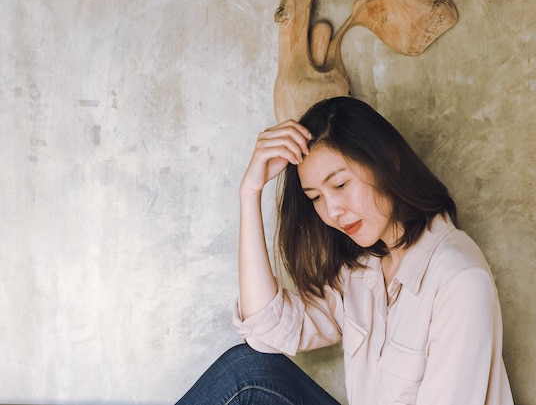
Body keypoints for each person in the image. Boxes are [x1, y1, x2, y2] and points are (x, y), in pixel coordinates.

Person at [176, 97, 514, 405]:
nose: (332, 211)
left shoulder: (459, 281)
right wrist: (250, 192)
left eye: (340, 184)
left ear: (389, 162)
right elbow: (267, 331)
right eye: (316, 197)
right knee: (246, 371)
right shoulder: (362, 271)